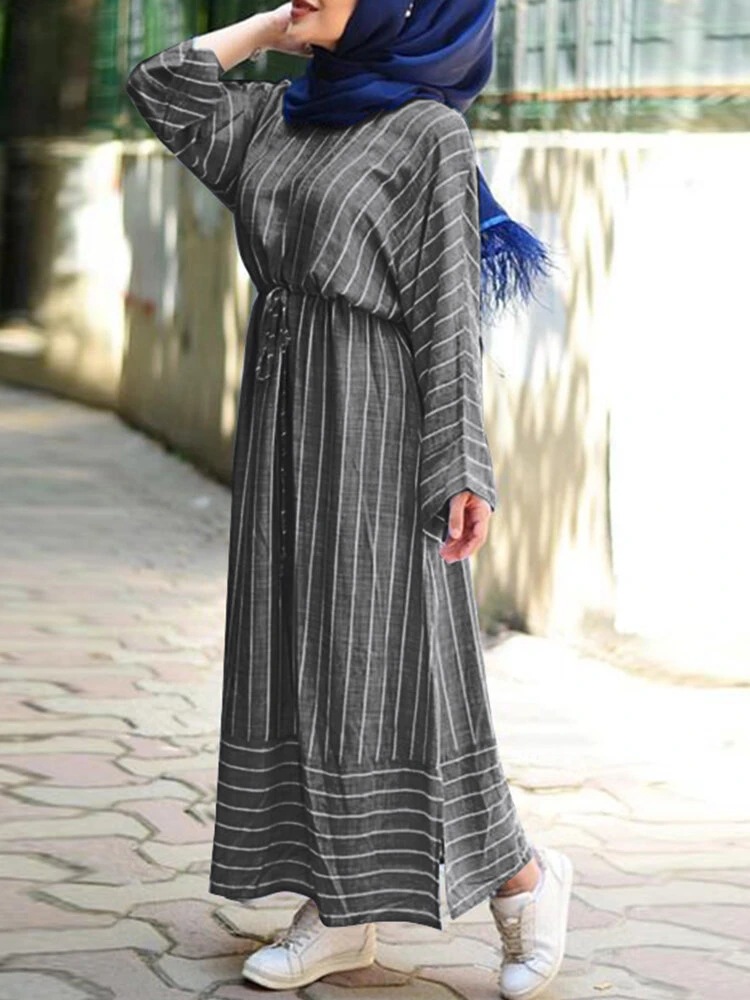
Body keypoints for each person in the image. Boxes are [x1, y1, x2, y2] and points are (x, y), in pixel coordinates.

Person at [125, 2, 573, 997]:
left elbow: (447, 309)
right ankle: (342, 907)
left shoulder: (427, 133)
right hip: (281, 405)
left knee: (384, 659)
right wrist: (266, 28)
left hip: (377, 411)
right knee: (291, 649)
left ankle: (522, 882)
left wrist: (462, 462)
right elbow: (160, 86)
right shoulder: (279, 115)